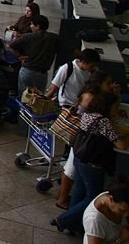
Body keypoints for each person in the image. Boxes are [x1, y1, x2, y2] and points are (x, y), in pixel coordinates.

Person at [52, 92, 127, 234]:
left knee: (79, 192)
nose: (117, 109)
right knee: (93, 196)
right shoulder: (103, 121)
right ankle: (63, 220)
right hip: (93, 164)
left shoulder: (89, 114)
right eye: (115, 106)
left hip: (80, 158)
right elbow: (122, 145)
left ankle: (73, 226)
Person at [8, 15, 58, 94]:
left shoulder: (28, 37)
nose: (30, 26)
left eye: (32, 24)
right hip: (42, 74)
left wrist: (19, 56)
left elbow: (11, 46)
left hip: (27, 71)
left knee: (23, 97)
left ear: (37, 26)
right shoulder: (54, 38)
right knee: (38, 100)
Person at [80, 175, 129, 244]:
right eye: (122, 210)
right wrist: (120, 240)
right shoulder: (94, 220)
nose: (127, 214)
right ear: (111, 199)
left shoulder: (114, 194)